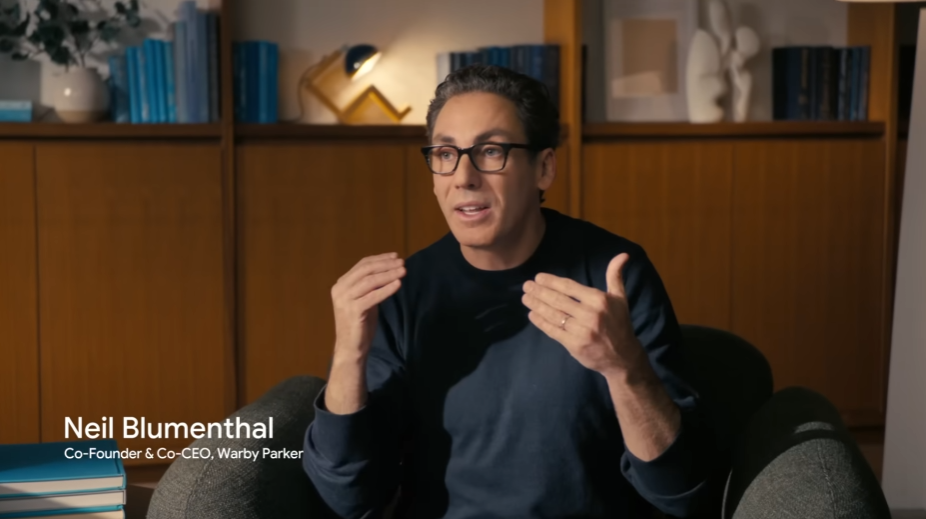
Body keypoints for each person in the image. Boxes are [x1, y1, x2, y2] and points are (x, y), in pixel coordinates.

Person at [303, 65, 714, 519]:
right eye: (445, 153)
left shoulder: (614, 275)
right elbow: (349, 499)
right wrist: (348, 356)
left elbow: (681, 492)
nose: (463, 177)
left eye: (491, 151)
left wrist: (625, 370)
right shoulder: (400, 293)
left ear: (544, 167)